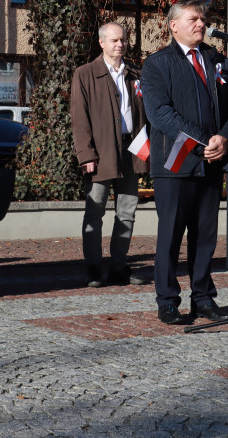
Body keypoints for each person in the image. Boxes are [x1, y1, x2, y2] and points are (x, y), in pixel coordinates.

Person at [141, 0, 228, 325]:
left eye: (203, 19)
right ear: (174, 25)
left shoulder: (218, 60)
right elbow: (160, 114)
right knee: (170, 237)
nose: (201, 24)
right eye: (193, 19)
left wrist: (224, 138)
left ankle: (202, 297)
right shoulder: (157, 64)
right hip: (175, 164)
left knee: (205, 237)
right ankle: (167, 301)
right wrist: (203, 143)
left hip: (212, 163)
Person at [71, 21, 149, 288]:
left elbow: (145, 114)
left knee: (127, 211)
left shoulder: (136, 74)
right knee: (95, 212)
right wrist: (86, 154)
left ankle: (118, 266)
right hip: (100, 152)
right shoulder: (85, 74)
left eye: (123, 40)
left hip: (131, 151)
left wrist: (146, 152)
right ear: (101, 42)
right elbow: (79, 118)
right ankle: (93, 268)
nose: (120, 44)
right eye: (114, 40)